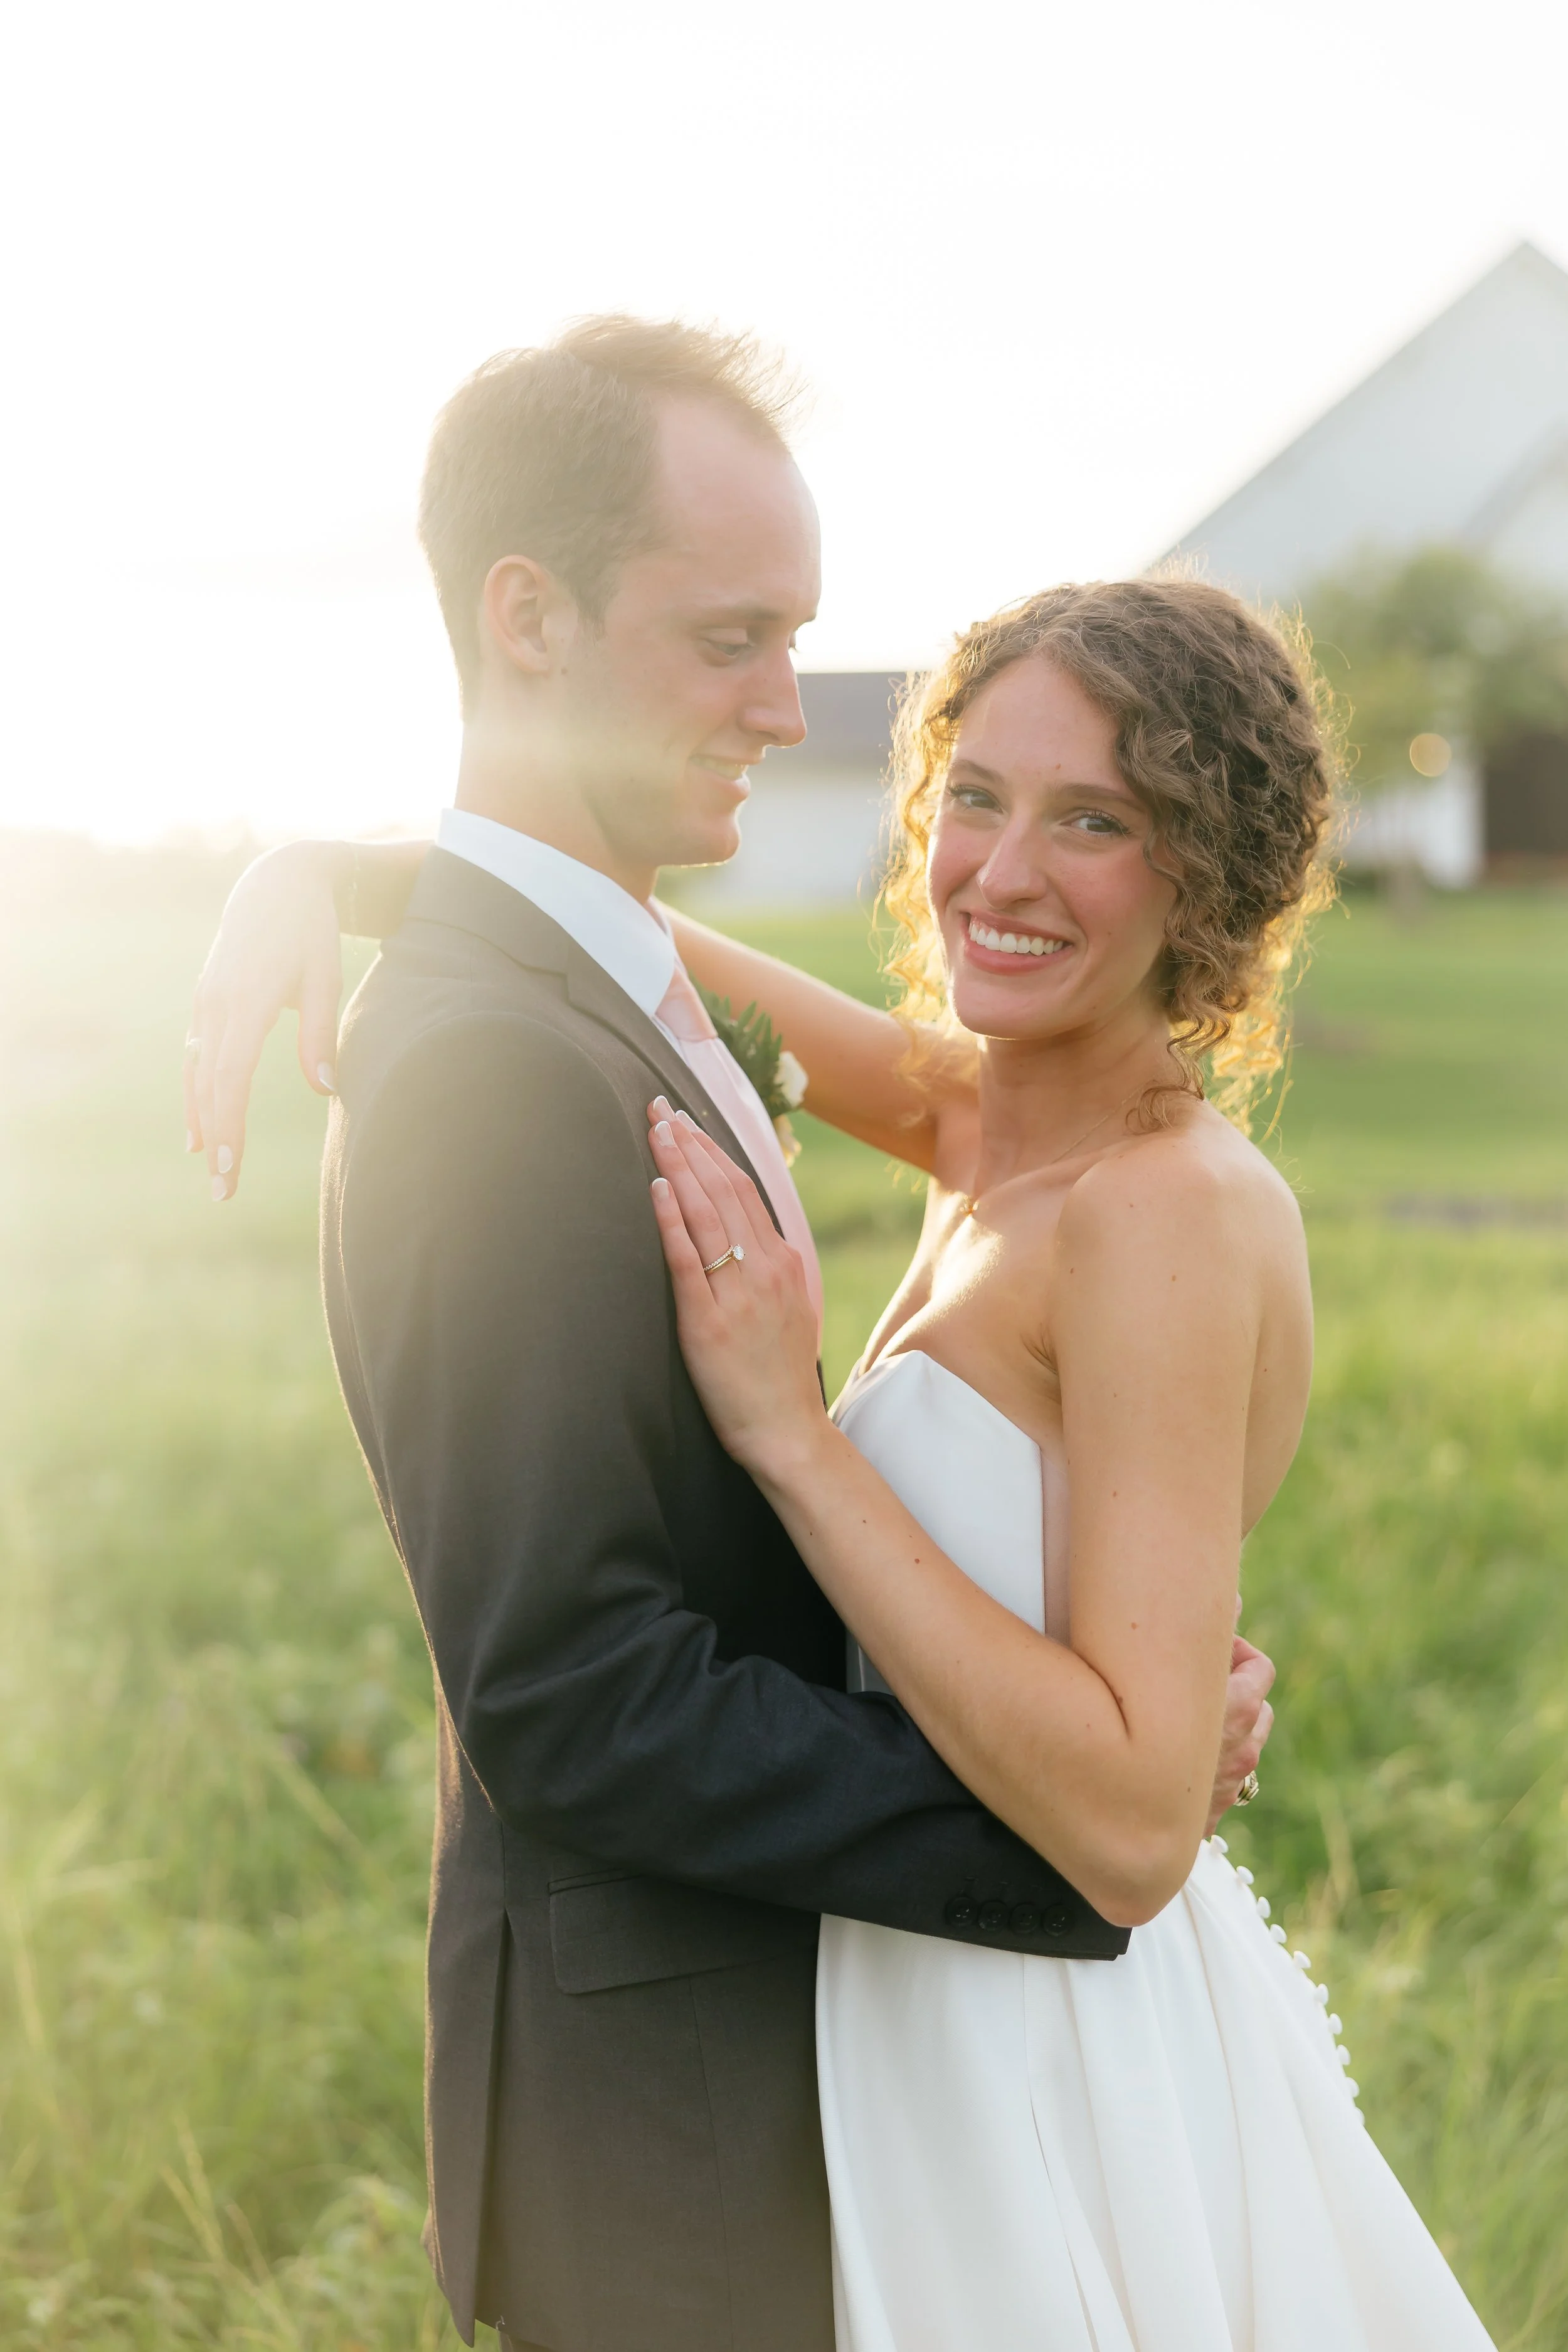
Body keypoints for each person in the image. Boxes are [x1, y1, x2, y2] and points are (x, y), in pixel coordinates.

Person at [184, 321, 1274, 2352]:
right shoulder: (497, 1070)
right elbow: (575, 1688)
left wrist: (329, 869)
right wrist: (1089, 1821)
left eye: (1098, 819)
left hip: (884, 2058)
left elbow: (548, 895)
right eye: (730, 637)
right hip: (674, 2120)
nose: (788, 706)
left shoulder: (676, 1002)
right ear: (530, 615)